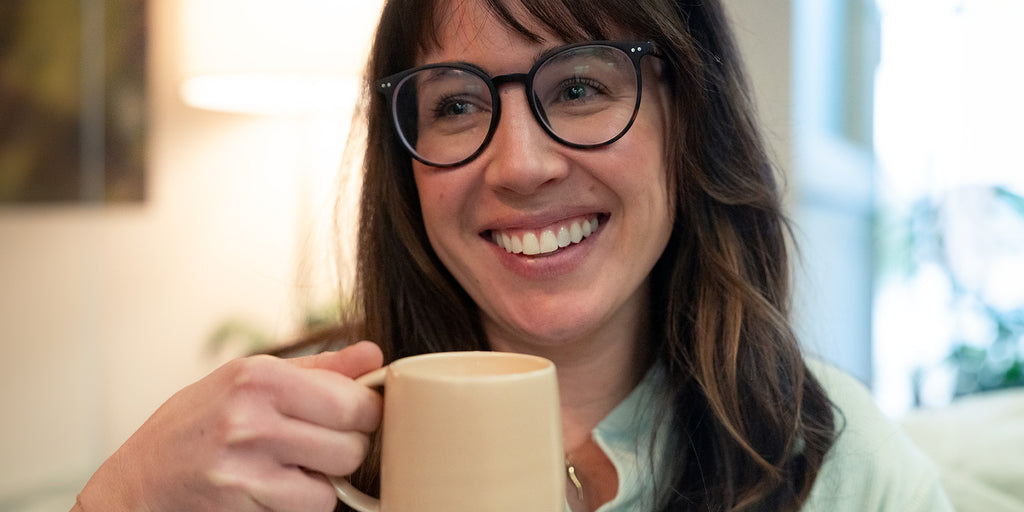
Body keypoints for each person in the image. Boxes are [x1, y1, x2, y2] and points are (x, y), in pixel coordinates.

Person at [73, 0, 955, 511]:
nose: (522, 167)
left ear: (688, 118)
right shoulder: (282, 446)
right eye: (454, 106)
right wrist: (115, 500)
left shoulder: (823, 449)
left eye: (578, 88)